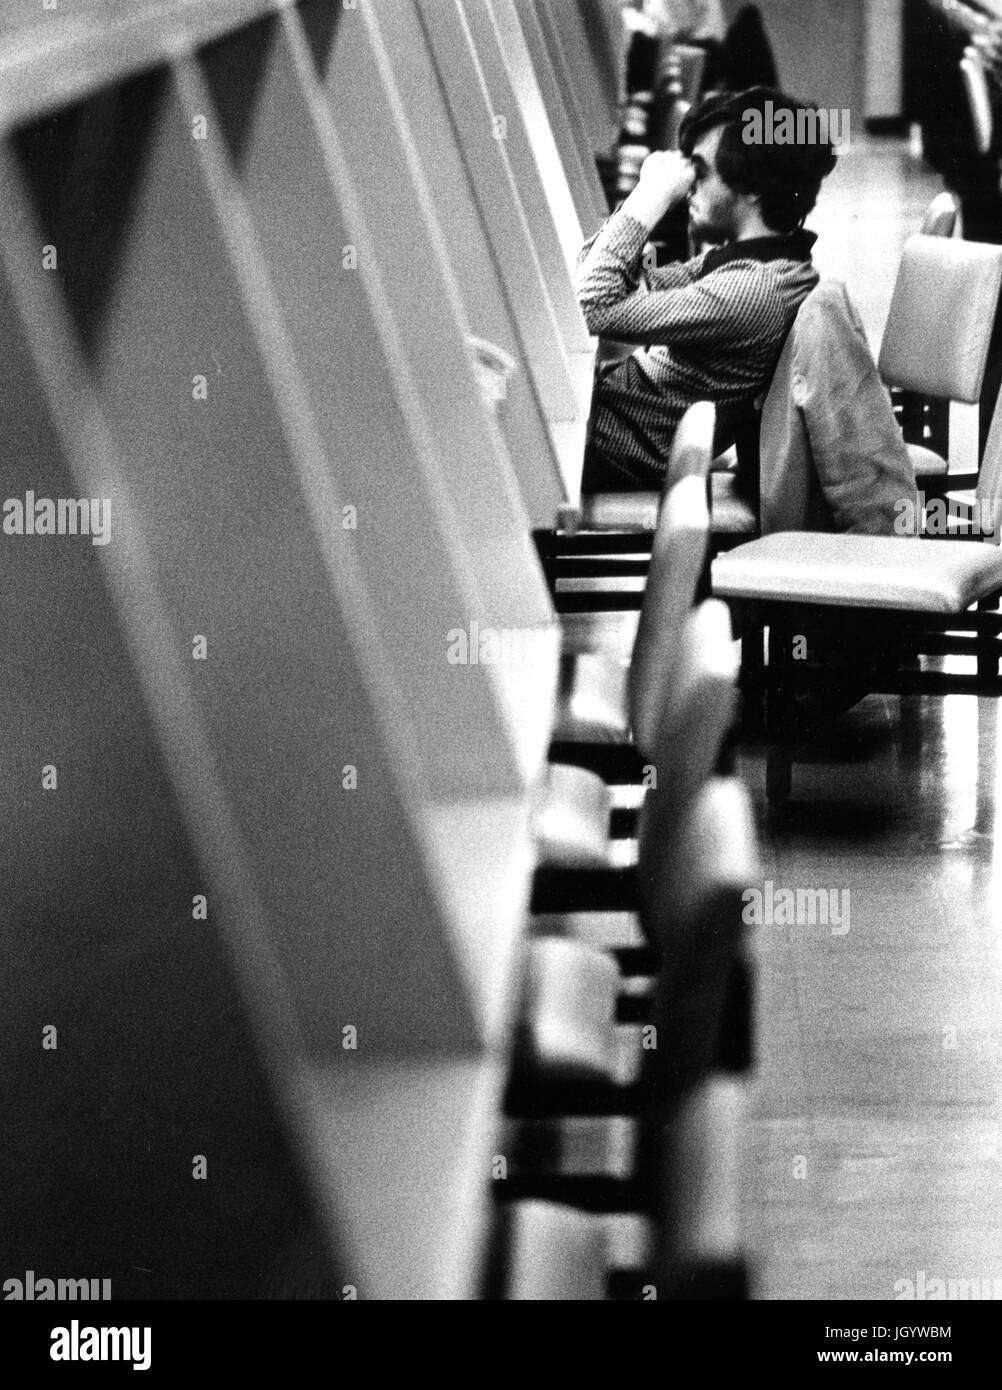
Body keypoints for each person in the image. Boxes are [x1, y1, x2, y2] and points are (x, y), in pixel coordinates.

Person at [576, 85, 838, 491]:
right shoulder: (751, 263)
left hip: (603, 452)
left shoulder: (751, 291)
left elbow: (592, 306)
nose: (688, 188)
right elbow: (597, 280)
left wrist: (649, 196)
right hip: (601, 433)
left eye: (700, 171)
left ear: (752, 187)